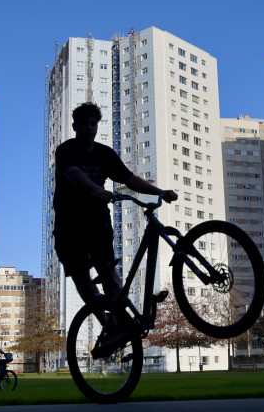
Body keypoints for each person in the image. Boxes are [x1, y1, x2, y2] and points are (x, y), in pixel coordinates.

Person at [53, 102, 177, 308]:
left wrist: (160, 192)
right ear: (75, 126)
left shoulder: (105, 154)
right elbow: (73, 174)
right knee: (83, 281)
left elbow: (130, 179)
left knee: (109, 274)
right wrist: (97, 189)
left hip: (97, 222)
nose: (89, 127)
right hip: (69, 226)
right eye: (84, 123)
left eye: (93, 123)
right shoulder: (66, 150)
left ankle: (121, 321)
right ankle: (107, 325)